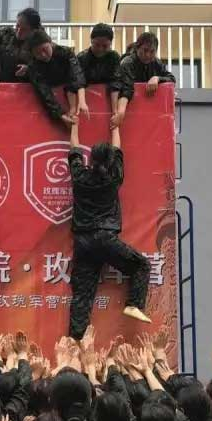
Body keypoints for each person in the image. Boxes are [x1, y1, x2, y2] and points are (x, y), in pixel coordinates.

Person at [67, 116, 151, 338]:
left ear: (91, 159)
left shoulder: (80, 176)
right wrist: (116, 125)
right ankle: (134, 304)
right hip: (104, 237)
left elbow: (74, 150)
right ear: (110, 161)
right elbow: (117, 149)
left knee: (82, 296)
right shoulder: (114, 177)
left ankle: (74, 342)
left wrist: (74, 126)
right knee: (141, 265)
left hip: (83, 242)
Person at [27, 29, 86, 127]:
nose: (43, 55)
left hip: (71, 92)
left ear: (51, 42)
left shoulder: (66, 53)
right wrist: (61, 115)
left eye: (45, 49)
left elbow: (77, 74)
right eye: (37, 53)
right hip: (53, 93)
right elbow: (44, 92)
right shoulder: (33, 67)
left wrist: (82, 100)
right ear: (32, 54)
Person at [117, 31, 176, 126]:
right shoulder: (127, 63)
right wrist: (121, 111)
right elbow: (126, 88)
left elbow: (172, 78)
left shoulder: (156, 63)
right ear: (137, 48)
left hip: (150, 111)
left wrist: (157, 78)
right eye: (145, 50)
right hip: (129, 109)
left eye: (152, 51)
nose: (148, 55)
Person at [74, 22, 124, 126]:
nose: (100, 49)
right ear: (91, 41)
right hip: (86, 103)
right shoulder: (81, 58)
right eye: (97, 45)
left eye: (105, 46)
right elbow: (79, 81)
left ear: (110, 44)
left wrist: (115, 111)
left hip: (107, 102)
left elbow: (115, 82)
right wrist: (82, 102)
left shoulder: (114, 57)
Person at [0, 7, 42, 84]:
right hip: (3, 86)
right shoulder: (7, 35)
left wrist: (29, 70)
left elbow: (44, 71)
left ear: (34, 30)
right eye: (17, 26)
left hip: (27, 87)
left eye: (24, 29)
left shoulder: (41, 44)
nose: (19, 31)